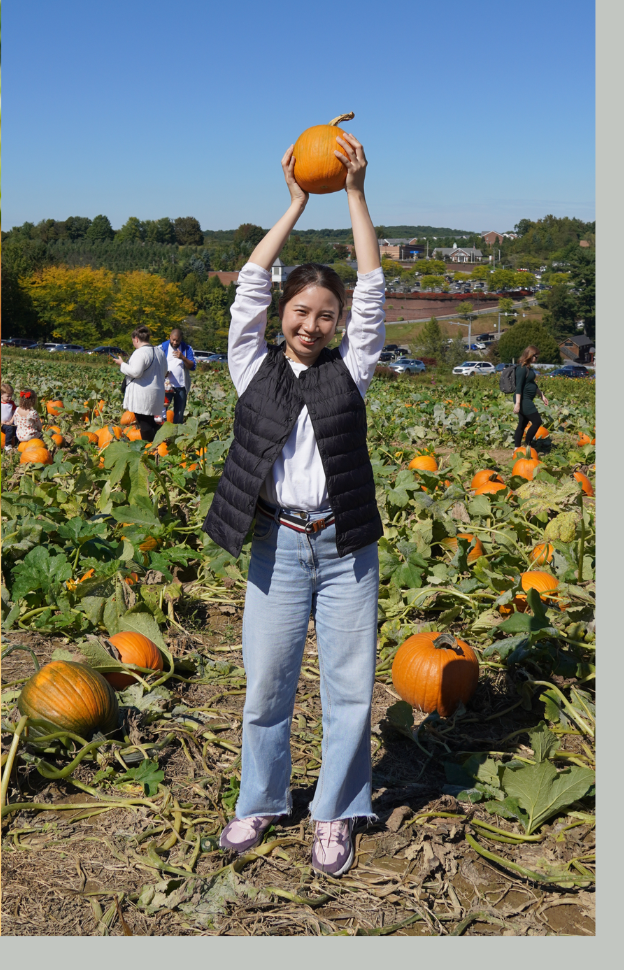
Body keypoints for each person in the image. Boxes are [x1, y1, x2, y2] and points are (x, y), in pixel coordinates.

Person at [204, 132, 384, 878]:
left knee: (349, 690)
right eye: (300, 310)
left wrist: (355, 195)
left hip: (345, 548)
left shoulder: (356, 368)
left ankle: (335, 814)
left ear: (340, 323)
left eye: (325, 315)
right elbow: (251, 280)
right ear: (284, 312)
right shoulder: (251, 366)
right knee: (268, 686)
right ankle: (261, 799)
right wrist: (296, 203)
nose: (311, 324)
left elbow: (374, 288)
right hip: (277, 544)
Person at [113, 326, 167, 442]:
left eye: (133, 341)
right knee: (151, 420)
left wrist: (121, 364)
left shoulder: (140, 353)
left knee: (144, 423)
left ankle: (150, 447)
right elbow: (165, 371)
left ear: (136, 339)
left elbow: (136, 372)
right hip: (157, 391)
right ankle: (160, 442)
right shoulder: (159, 352)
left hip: (143, 393)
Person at [513, 345, 549, 448]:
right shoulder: (522, 368)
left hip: (527, 399)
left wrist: (542, 396)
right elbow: (518, 387)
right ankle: (528, 445)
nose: (536, 359)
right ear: (530, 355)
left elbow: (532, 384)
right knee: (537, 421)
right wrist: (518, 404)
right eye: (536, 357)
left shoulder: (528, 368)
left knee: (523, 423)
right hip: (523, 399)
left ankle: (517, 448)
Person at [158, 327, 196, 424]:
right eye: (173, 340)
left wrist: (183, 357)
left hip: (181, 386)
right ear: (170, 337)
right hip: (166, 385)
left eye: (177, 341)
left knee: (179, 412)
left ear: (181, 339)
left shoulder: (187, 349)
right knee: (162, 410)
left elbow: (192, 366)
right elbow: (155, 365)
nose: (175, 342)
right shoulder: (162, 347)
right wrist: (163, 372)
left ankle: (176, 432)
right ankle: (161, 429)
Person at [0, 382, 17, 448]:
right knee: (9, 429)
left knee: (16, 428)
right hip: (1, 423)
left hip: (9, 422)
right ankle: (8, 445)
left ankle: (16, 444)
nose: (10, 398)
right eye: (8, 396)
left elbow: (14, 413)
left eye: (11, 396)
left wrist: (10, 421)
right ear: (1, 395)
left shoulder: (11, 403)